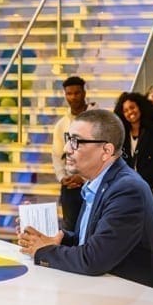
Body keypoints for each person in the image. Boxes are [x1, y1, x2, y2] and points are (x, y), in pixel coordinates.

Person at [18, 109, 153, 292]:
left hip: (136, 303)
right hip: (107, 294)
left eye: (76, 142)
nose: (66, 149)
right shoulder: (100, 183)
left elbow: (93, 259)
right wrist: (49, 238)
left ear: (106, 151)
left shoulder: (128, 190)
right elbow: (88, 240)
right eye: (68, 139)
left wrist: (42, 251)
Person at [113, 92, 153, 249]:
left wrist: (139, 178)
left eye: (132, 107)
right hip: (128, 190)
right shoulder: (121, 134)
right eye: (126, 110)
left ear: (140, 107)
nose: (130, 112)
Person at [52, 76, 97, 230]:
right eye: (69, 94)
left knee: (92, 226)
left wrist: (84, 178)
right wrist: (62, 177)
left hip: (93, 183)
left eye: (77, 93)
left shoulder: (97, 119)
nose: (73, 97)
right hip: (70, 185)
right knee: (70, 228)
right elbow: (57, 155)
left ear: (84, 93)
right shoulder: (61, 124)